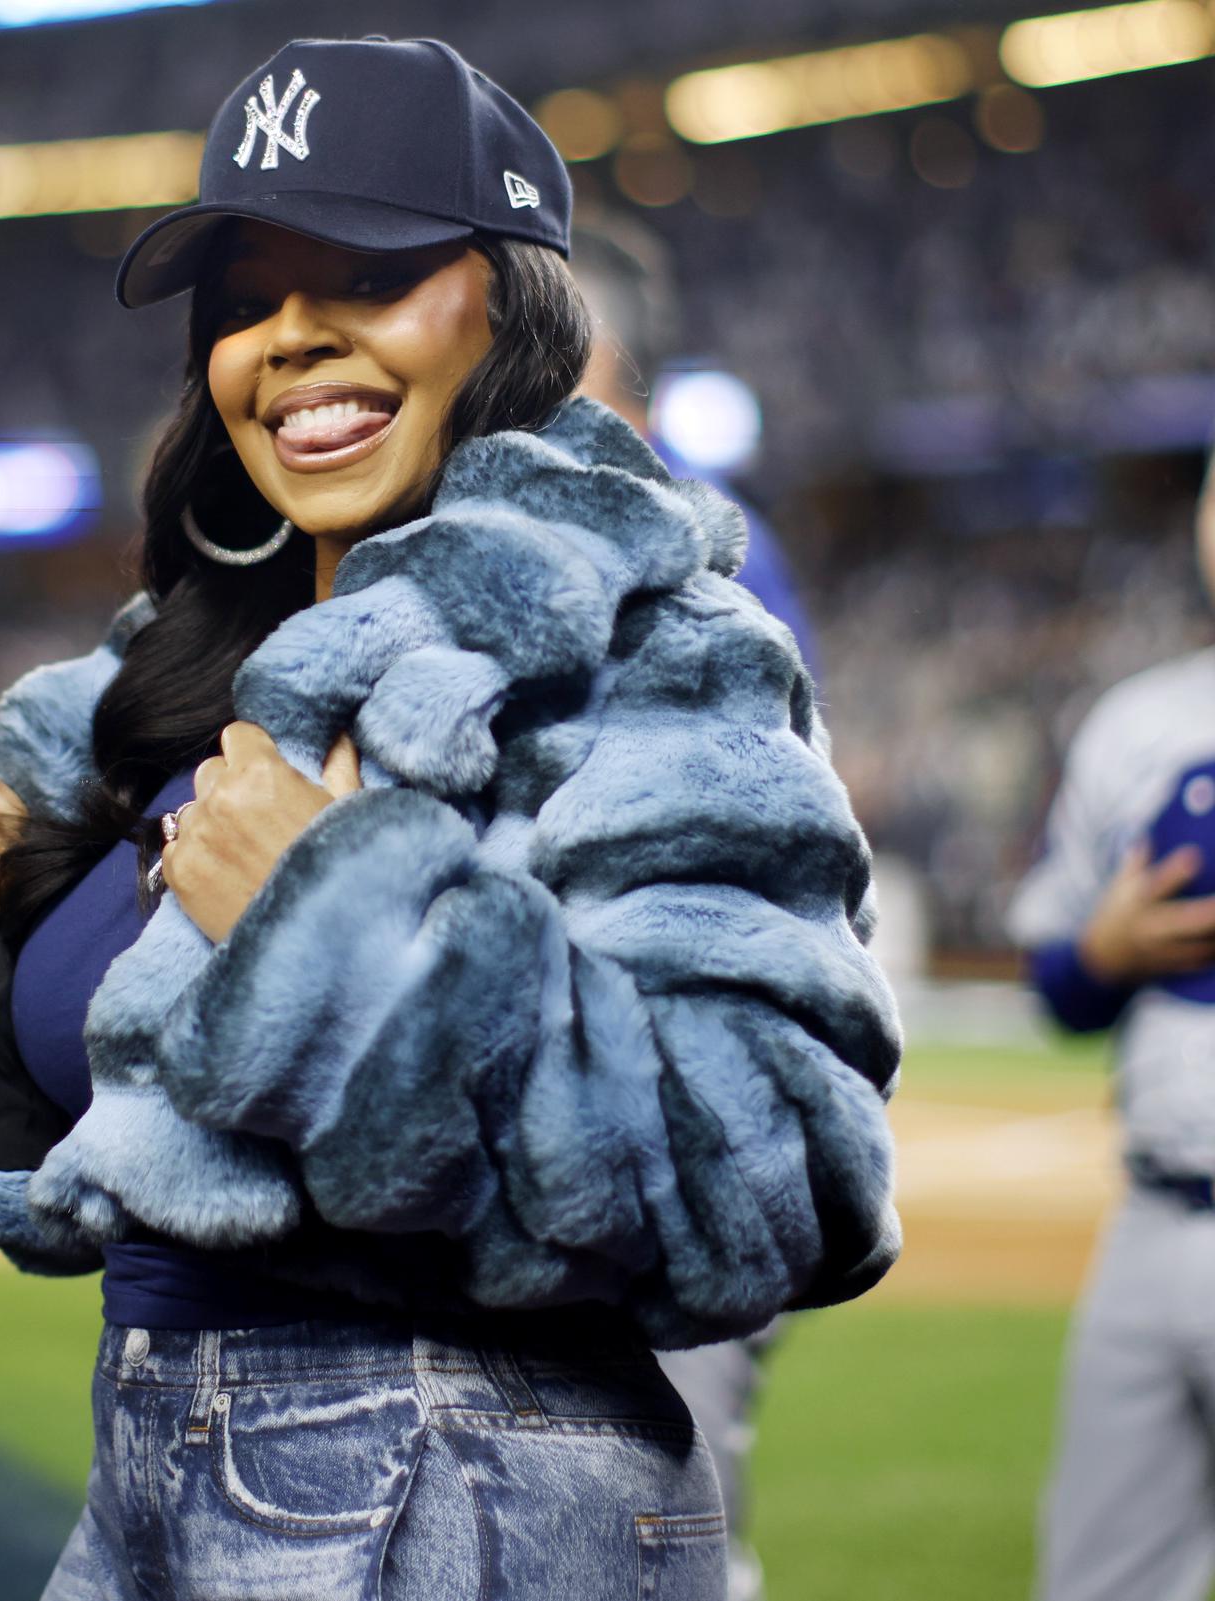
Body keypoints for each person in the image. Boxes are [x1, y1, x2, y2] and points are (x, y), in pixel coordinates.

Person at [0, 37, 900, 1599]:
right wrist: (1, 940)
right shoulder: (196, 681)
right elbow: (172, 1143)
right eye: (246, 296)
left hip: (477, 1482)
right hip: (158, 1471)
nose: (293, 338)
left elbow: (776, 1176)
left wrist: (340, 922)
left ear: (513, 308)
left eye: (367, 272)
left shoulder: (656, 648)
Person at [571, 217, 819, 1601]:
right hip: (601, 1120)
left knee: (666, 1531)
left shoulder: (709, 544)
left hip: (697, 1128)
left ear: (637, 390)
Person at [1014, 442, 1215, 1601]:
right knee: (1100, 1576)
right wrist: (1110, 951)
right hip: (1151, 1211)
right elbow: (1058, 984)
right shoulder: (1139, 720)